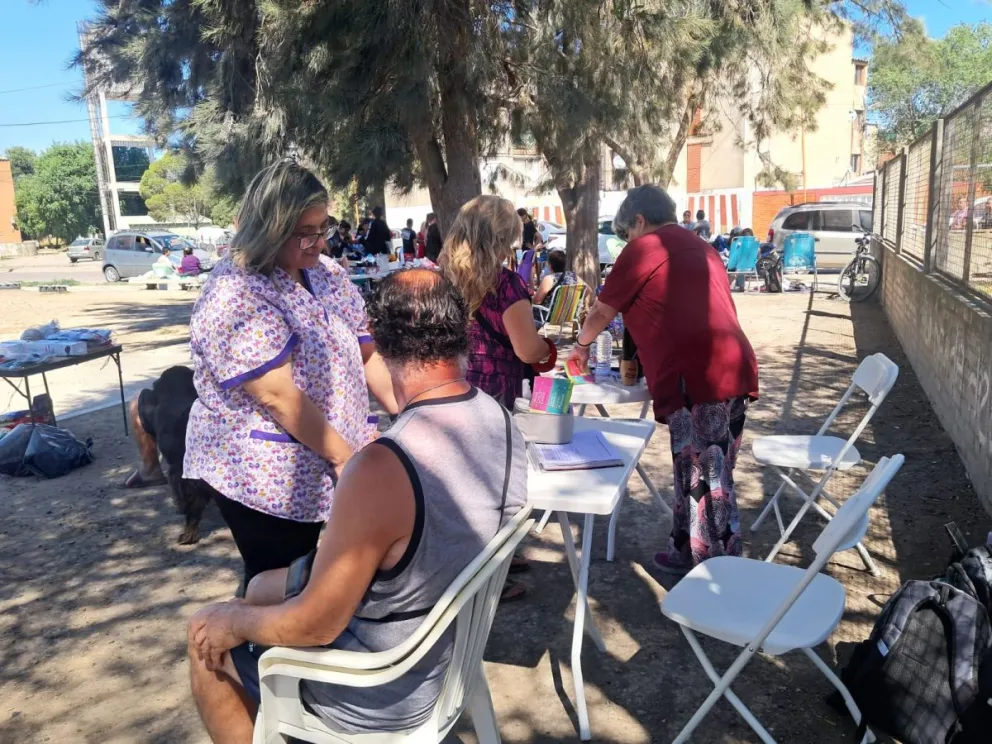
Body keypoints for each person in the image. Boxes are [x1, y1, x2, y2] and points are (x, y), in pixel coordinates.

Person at [186, 269, 528, 742]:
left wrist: (233, 621)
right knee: (262, 584)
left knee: (207, 631)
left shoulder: (383, 467)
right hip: (442, 654)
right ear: (460, 330)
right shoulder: (499, 419)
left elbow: (316, 624)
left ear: (379, 346)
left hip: (375, 690)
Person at [183, 159, 399, 588]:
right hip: (266, 473)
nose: (319, 242)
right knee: (281, 583)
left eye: (324, 228)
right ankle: (251, 651)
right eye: (306, 232)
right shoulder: (235, 292)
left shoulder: (327, 273)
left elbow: (366, 351)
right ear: (270, 228)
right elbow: (276, 395)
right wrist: (345, 459)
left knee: (319, 578)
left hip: (330, 454)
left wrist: (412, 411)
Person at [568, 184, 759, 575]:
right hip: (733, 367)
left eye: (626, 233)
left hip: (700, 377)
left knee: (708, 480)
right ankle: (684, 550)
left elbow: (603, 312)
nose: (626, 242)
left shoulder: (646, 248)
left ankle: (717, 576)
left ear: (639, 220)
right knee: (699, 473)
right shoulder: (701, 246)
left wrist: (581, 346)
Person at [442, 195, 554, 410]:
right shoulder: (506, 285)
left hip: (450, 392)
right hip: (497, 397)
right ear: (500, 240)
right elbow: (528, 351)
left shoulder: (440, 279)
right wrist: (548, 349)